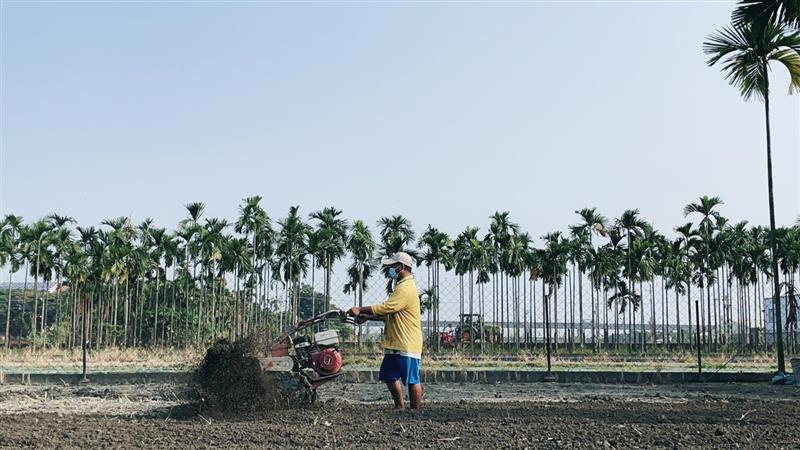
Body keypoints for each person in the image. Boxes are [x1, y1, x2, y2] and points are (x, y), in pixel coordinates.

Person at [347, 251, 423, 410]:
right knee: (389, 376)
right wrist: (368, 317)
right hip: (396, 342)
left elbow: (387, 307)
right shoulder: (401, 287)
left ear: (401, 267)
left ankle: (415, 412)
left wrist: (360, 309)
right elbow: (390, 313)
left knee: (412, 379)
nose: (389, 269)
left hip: (407, 342)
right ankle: (399, 407)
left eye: (392, 266)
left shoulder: (406, 288)